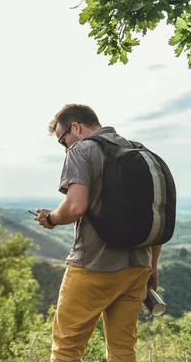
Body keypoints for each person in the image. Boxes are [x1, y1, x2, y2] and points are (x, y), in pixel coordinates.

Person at [34, 104, 162, 362]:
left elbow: (75, 207)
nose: (65, 147)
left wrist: (51, 218)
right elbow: (156, 216)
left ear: (76, 128)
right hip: (138, 267)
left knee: (67, 347)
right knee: (123, 349)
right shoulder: (140, 151)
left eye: (63, 140)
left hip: (94, 265)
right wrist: (152, 267)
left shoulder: (83, 149)